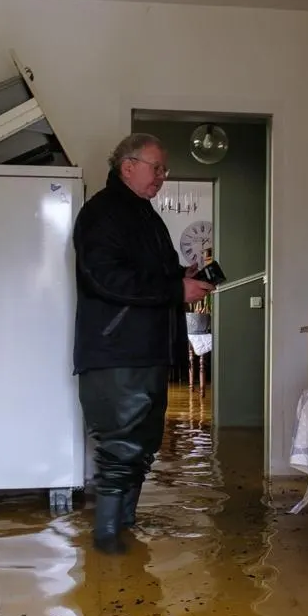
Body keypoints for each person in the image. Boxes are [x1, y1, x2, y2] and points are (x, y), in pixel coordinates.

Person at [72, 133, 214, 554]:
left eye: (164, 170)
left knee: (143, 445)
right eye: (157, 168)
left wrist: (182, 276)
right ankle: (107, 539)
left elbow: (150, 275)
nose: (162, 177)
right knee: (120, 447)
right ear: (128, 166)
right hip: (117, 352)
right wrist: (175, 289)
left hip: (146, 350)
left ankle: (124, 526)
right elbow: (104, 278)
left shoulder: (144, 215)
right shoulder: (102, 212)